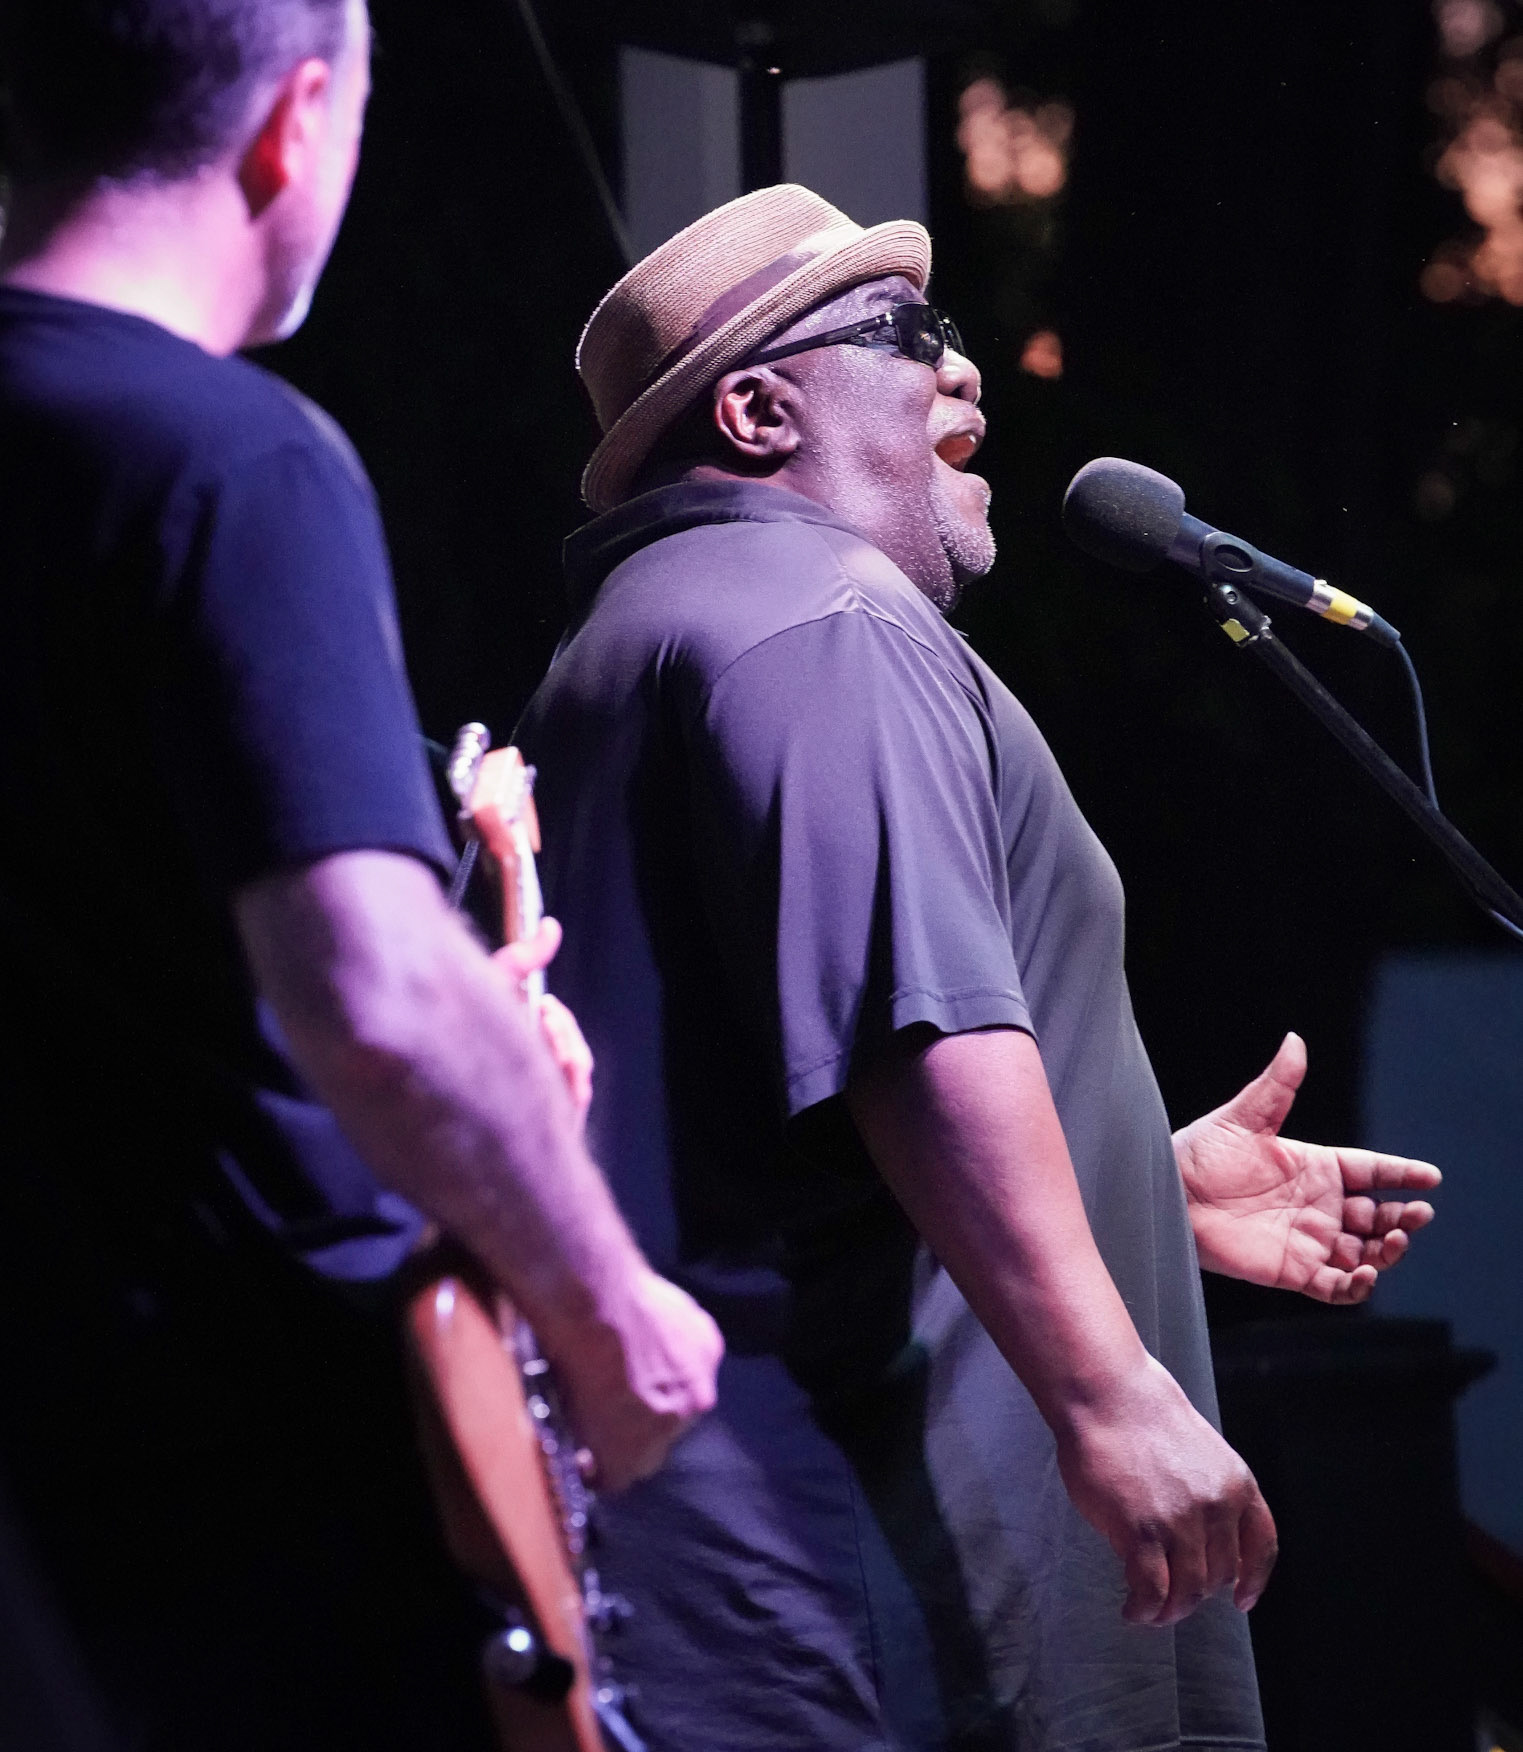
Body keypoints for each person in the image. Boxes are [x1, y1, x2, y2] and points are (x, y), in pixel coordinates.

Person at [514, 184, 1442, 1751]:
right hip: (882, 1590)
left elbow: (744, 1119)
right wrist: (1111, 1391)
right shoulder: (824, 621)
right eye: (910, 332)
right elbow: (918, 1039)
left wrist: (1134, 1183)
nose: (966, 368)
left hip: (729, 1576)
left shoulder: (644, 636)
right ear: (758, 411)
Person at [0, 0, 720, 1751]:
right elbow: (377, 991)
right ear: (294, 119)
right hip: (229, 1516)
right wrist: (610, 1311)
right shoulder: (231, 460)